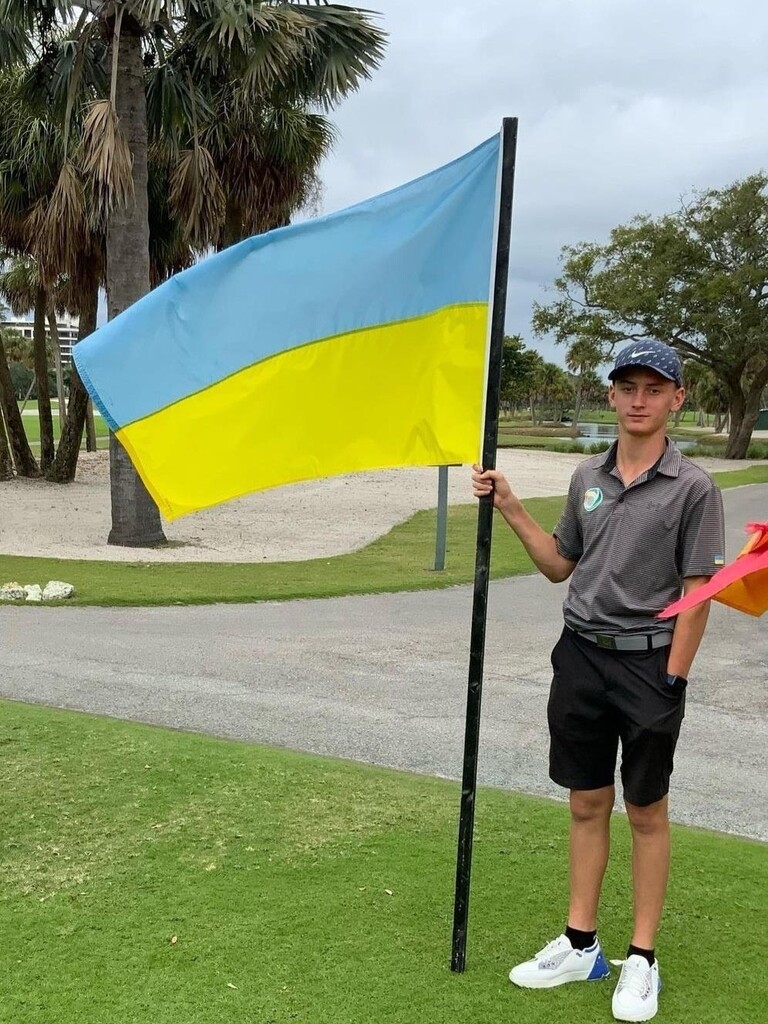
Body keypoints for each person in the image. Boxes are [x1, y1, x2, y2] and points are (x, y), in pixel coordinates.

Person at [472, 340, 724, 1023]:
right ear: (610, 396)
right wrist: (511, 506)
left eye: (654, 388)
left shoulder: (694, 487)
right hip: (579, 654)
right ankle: (582, 943)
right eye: (627, 387)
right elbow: (561, 565)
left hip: (650, 663)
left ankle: (642, 958)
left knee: (645, 809)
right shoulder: (589, 473)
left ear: (677, 398)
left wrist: (674, 677)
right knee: (586, 803)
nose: (638, 400)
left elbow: (698, 592)